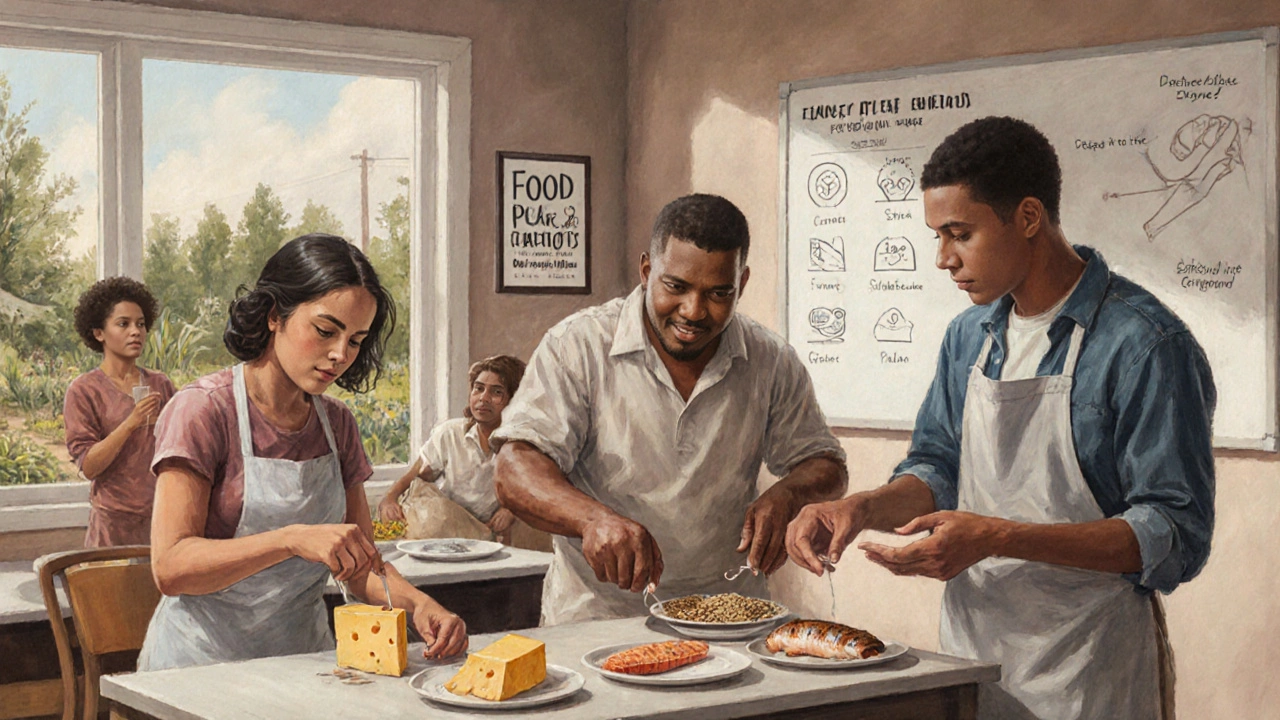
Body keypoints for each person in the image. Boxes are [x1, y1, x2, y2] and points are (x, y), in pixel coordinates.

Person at [785, 117, 1216, 720]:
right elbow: (937, 468)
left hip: (1090, 670)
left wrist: (999, 537)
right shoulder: (970, 336)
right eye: (938, 235)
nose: (943, 259)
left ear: (1029, 217)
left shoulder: (1144, 344)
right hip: (974, 657)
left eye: (959, 233)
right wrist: (859, 509)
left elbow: (1174, 535)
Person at [492, 193, 848, 625]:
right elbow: (514, 467)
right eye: (676, 287)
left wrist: (788, 493)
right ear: (646, 271)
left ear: (743, 282)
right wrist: (591, 520)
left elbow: (826, 465)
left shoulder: (771, 359)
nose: (694, 311)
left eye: (719, 293)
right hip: (597, 619)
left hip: (730, 621)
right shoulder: (577, 345)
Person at [138, 234, 467, 671]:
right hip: (200, 666)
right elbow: (171, 567)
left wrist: (419, 605)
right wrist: (292, 539)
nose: (339, 355)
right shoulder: (203, 410)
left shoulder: (337, 425)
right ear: (275, 315)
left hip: (303, 661)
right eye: (326, 331)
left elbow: (360, 565)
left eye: (355, 341)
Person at [65, 277, 176, 547]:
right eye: (123, 324)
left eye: (140, 324)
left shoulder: (160, 384)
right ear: (99, 333)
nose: (136, 332)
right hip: (112, 525)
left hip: (161, 520)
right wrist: (132, 423)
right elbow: (89, 466)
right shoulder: (84, 390)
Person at [377, 355, 530, 545]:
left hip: (486, 536)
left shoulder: (521, 445)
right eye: (478, 388)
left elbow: (528, 491)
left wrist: (511, 512)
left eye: (496, 392)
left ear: (513, 400)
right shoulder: (450, 434)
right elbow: (416, 475)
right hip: (444, 532)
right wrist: (389, 499)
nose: (483, 398)